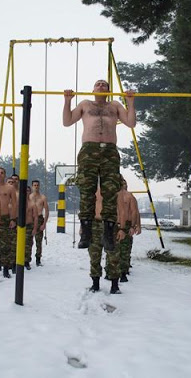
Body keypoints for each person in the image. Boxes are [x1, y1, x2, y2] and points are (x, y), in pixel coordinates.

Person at [63, 80, 136, 250]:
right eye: (98, 84)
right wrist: (67, 101)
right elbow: (67, 122)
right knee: (87, 189)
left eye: (104, 84)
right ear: (93, 89)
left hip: (110, 151)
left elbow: (131, 123)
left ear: (109, 90)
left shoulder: (115, 105)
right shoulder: (85, 104)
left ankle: (108, 234)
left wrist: (130, 102)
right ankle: (86, 232)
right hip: (89, 149)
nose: (101, 86)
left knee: (110, 191)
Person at [88, 186, 123, 294]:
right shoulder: (92, 190)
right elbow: (87, 209)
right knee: (94, 256)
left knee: (113, 256)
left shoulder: (115, 191)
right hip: (95, 225)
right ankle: (95, 284)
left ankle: (114, 285)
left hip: (111, 226)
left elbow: (122, 211)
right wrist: (83, 227)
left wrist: (122, 228)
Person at [0, 167, 17, 278]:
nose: (0, 175)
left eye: (2, 173)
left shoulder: (10, 188)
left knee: (5, 244)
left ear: (5, 175)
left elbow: (14, 205)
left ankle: (6, 268)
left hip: (5, 217)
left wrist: (12, 219)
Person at [116, 178, 140, 282]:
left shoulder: (128, 196)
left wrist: (134, 226)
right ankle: (121, 272)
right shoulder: (129, 196)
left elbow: (135, 212)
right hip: (122, 224)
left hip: (122, 224)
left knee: (119, 249)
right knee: (121, 249)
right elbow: (135, 212)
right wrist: (134, 225)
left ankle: (120, 271)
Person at [29, 179, 49, 266]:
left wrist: (44, 223)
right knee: (29, 241)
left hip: (40, 218)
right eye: (34, 185)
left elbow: (47, 211)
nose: (36, 187)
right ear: (32, 186)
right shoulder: (29, 197)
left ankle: (38, 258)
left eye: (37, 185)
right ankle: (27, 259)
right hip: (31, 219)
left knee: (38, 241)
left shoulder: (43, 197)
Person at [24, 186, 39, 270]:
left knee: (28, 245)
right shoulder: (18, 202)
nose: (26, 192)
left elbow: (36, 217)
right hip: (19, 226)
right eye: (25, 190)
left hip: (29, 226)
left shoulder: (32, 204)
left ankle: (26, 261)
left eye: (28, 191)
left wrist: (34, 228)